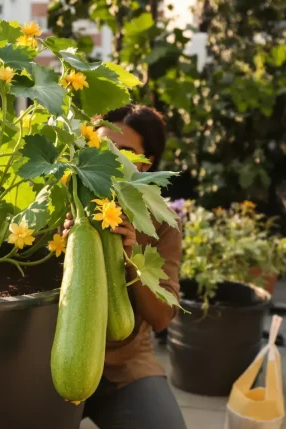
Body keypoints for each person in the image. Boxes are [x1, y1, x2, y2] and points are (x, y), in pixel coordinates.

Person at [63, 104, 187, 429]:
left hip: (127, 363)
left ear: (147, 164)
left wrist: (128, 257)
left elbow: (161, 318)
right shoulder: (66, 199)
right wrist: (69, 246)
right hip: (58, 348)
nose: (112, 161)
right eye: (104, 148)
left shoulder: (163, 223)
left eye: (126, 153)